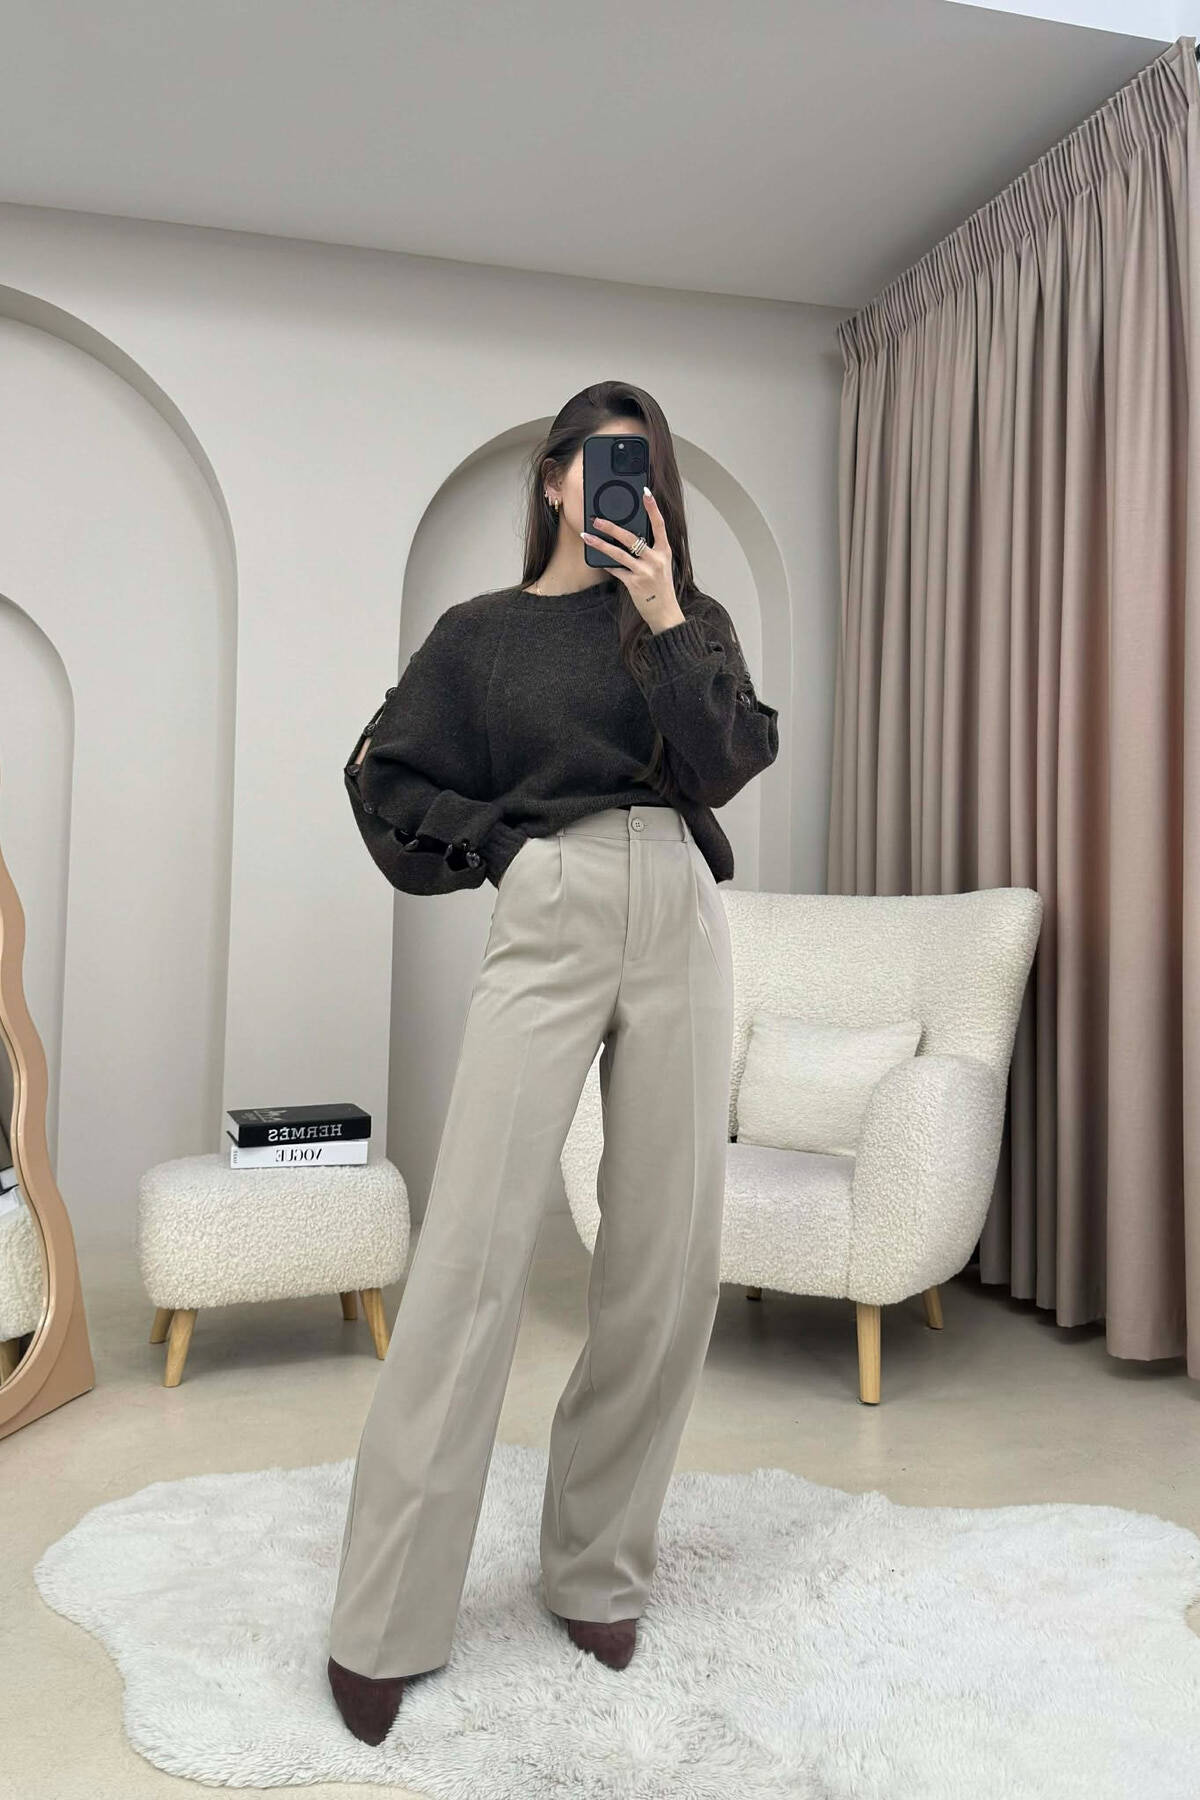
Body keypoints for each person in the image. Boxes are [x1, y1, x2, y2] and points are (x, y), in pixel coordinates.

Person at [327, 380, 780, 1745]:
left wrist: (664, 615)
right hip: (554, 901)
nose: (623, 481)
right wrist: (503, 849)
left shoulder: (686, 621)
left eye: (645, 464)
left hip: (682, 909)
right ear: (554, 477)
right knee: (472, 1251)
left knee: (666, 1258)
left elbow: (733, 758)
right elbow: (383, 776)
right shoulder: (481, 638)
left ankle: (596, 1566)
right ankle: (387, 1613)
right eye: (601, 458)